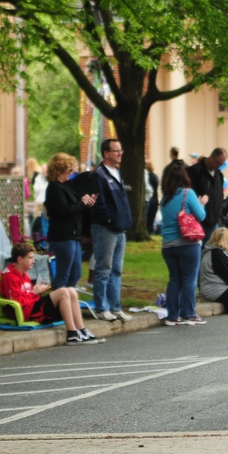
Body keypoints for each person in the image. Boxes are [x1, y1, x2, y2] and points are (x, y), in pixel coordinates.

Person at [0, 242, 103, 344]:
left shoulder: (22, 273)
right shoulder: (10, 277)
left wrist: (38, 290)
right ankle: (72, 334)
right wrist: (34, 293)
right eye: (30, 258)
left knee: (71, 291)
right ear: (20, 260)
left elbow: (27, 294)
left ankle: (82, 330)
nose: (33, 261)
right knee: (62, 292)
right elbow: (18, 302)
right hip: (28, 312)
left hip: (34, 306)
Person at [44, 153, 99, 339]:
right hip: (62, 236)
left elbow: (76, 207)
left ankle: (78, 326)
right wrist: (82, 204)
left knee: (75, 274)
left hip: (73, 235)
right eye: (69, 170)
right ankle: (69, 324)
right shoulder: (54, 189)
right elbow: (64, 211)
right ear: (59, 170)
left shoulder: (64, 187)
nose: (71, 172)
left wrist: (85, 203)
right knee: (63, 278)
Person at [87, 138, 133, 322]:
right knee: (103, 269)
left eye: (121, 150)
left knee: (117, 270)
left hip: (120, 229)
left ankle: (115, 307)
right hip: (106, 229)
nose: (120, 154)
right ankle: (101, 307)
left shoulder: (117, 173)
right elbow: (97, 203)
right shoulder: (99, 175)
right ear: (106, 153)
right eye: (116, 151)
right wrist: (110, 219)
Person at [159, 164, 208, 326]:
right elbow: (201, 216)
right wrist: (202, 203)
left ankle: (172, 316)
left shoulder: (165, 198)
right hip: (188, 243)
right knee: (189, 279)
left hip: (168, 245)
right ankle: (189, 313)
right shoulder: (188, 193)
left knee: (174, 279)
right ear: (184, 177)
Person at [187, 147, 226, 238]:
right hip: (199, 222)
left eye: (222, 164)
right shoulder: (193, 172)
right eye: (218, 163)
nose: (219, 166)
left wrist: (219, 217)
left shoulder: (218, 175)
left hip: (214, 222)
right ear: (212, 157)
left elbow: (220, 197)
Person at [145, 159, 159, 235]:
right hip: (155, 200)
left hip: (149, 199)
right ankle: (151, 233)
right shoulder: (155, 176)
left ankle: (149, 233)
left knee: (147, 221)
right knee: (151, 221)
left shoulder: (146, 177)